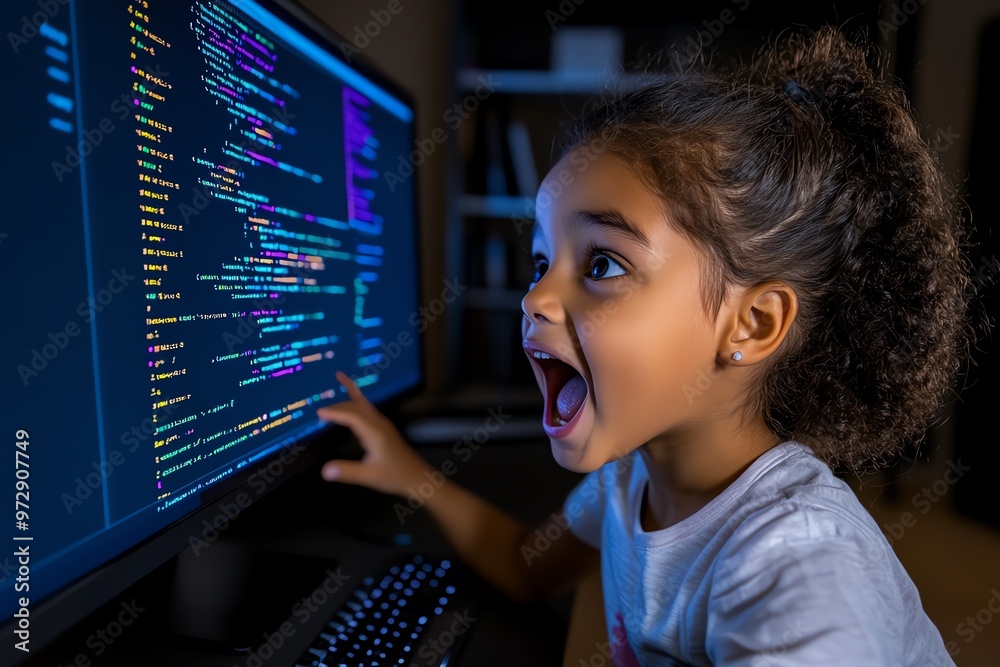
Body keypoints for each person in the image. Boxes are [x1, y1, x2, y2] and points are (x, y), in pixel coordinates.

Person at [316, 25, 979, 666]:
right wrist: (412, 475)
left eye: (602, 263)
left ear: (751, 324)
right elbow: (526, 566)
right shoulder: (627, 479)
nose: (535, 297)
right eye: (542, 261)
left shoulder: (799, 567)